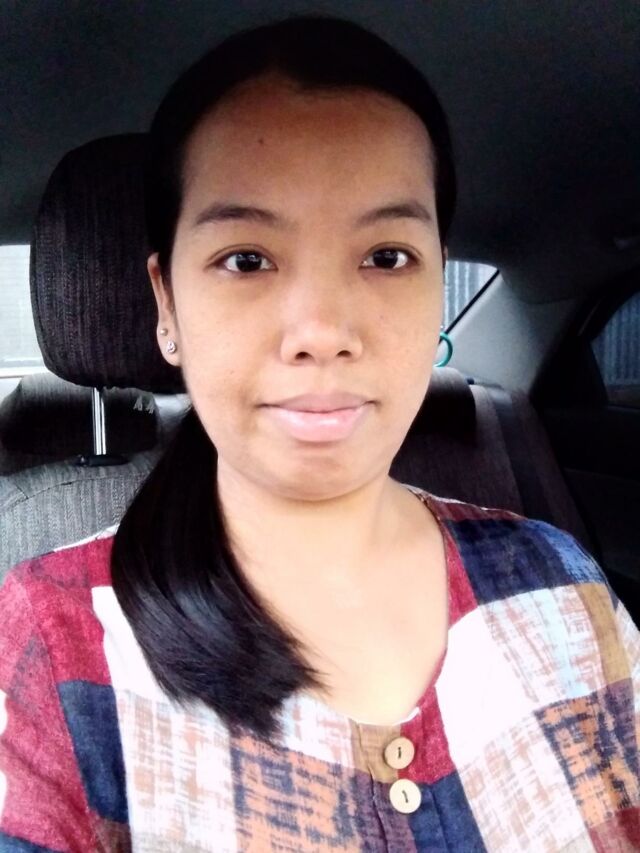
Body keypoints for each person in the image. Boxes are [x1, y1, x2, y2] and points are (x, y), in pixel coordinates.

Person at [0, 15, 638, 853]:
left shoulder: (561, 581)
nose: (322, 331)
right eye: (247, 259)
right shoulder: (51, 640)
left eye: (386, 257)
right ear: (167, 305)